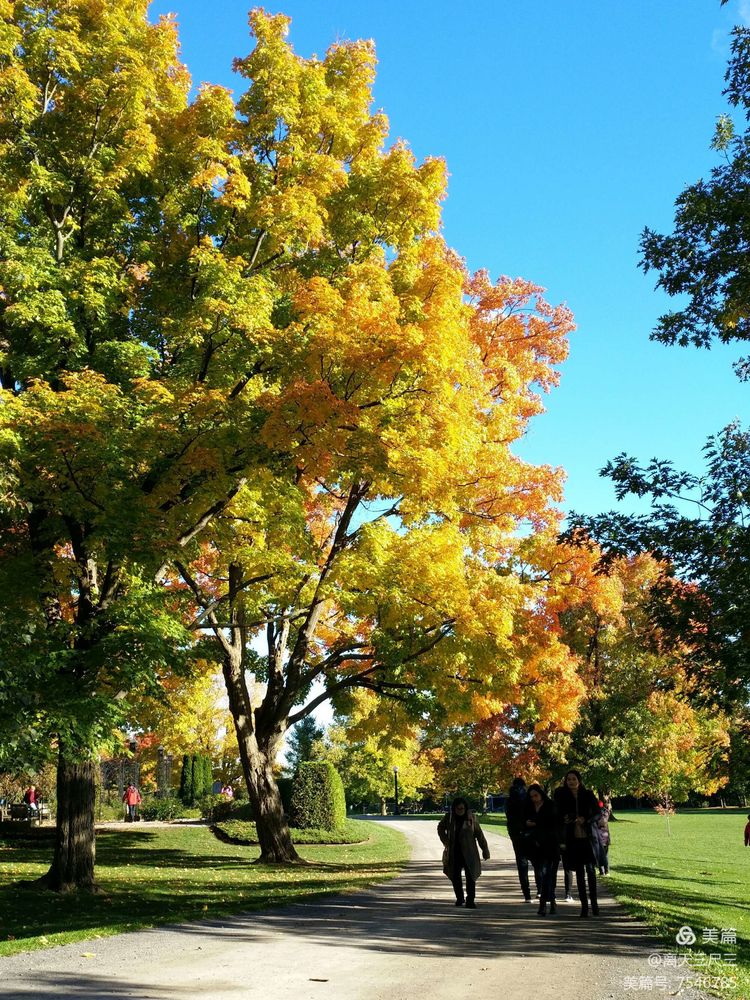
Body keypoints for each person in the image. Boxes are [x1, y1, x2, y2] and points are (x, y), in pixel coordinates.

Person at [554, 769, 601, 918]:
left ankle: (595, 904)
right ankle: (584, 906)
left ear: (579, 780)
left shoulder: (587, 795)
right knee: (579, 872)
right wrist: (566, 819)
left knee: (591, 871)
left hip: (588, 837)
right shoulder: (563, 796)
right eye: (569, 780)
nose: (571, 782)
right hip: (573, 838)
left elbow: (597, 813)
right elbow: (558, 814)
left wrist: (585, 820)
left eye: (574, 779)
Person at [437, 797, 490, 909]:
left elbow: (479, 834)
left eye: (462, 808)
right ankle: (459, 897)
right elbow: (440, 827)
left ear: (466, 808)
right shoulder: (449, 818)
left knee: (471, 877)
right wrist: (446, 840)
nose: (460, 811)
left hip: (470, 852)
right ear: (454, 808)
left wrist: (485, 849)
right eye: (458, 808)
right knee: (455, 876)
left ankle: (470, 900)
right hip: (454, 852)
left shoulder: (471, 818)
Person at [523, 784, 560, 917]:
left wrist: (535, 823)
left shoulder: (550, 805)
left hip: (550, 844)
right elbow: (524, 822)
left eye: (536, 795)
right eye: (531, 796)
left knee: (548, 874)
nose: (534, 799)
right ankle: (550, 901)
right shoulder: (529, 807)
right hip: (536, 845)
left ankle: (545, 903)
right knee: (543, 874)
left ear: (541, 794)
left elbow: (552, 822)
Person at [505, 777, 537, 902]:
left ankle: (527, 894)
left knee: (522, 863)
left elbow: (509, 818)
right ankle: (539, 890)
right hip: (530, 832)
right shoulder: (528, 797)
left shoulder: (509, 800)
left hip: (516, 833)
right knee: (536, 862)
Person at [595, 799, 611, 875]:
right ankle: (607, 870)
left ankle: (601, 871)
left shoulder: (596, 813)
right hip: (606, 836)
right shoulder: (606, 812)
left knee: (599, 854)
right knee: (606, 854)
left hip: (599, 836)